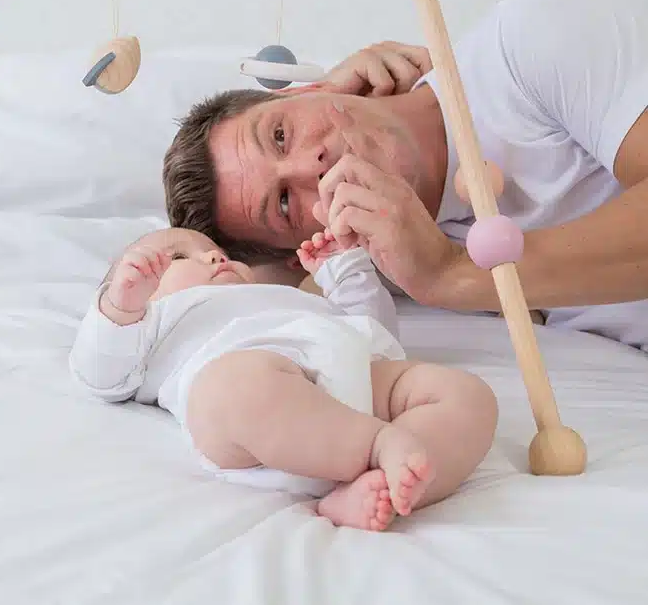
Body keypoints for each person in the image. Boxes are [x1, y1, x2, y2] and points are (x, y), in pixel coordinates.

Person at [162, 0, 648, 350]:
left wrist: (451, 274)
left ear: (306, 90)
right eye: (285, 203)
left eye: (280, 134)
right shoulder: (381, 260)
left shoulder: (528, 43)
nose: (312, 164)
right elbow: (221, 294)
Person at [69, 226, 497, 530]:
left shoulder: (288, 298)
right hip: (262, 414)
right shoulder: (152, 323)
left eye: (216, 250)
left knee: (467, 395)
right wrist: (119, 307)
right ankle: (378, 448)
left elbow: (375, 328)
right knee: (232, 390)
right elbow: (101, 376)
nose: (214, 256)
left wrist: (343, 269)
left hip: (352, 374)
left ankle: (380, 484)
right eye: (179, 257)